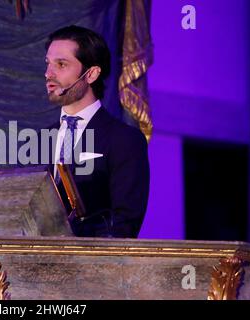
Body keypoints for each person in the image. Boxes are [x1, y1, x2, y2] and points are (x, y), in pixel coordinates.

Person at [43, 25, 150, 238]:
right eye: (48, 64)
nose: (48, 74)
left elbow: (125, 224)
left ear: (91, 74)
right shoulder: (39, 140)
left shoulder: (125, 140)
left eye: (61, 64)